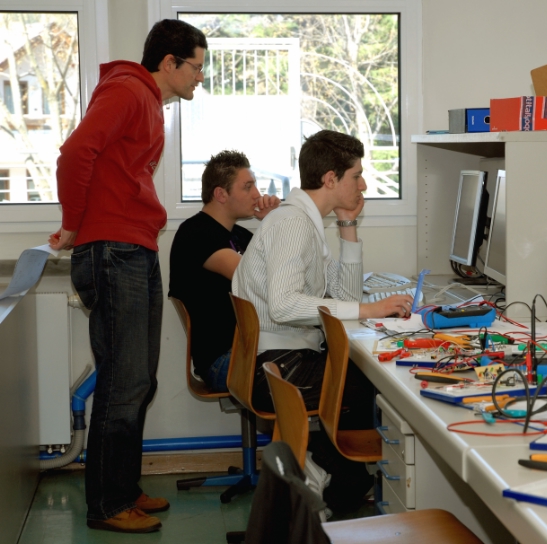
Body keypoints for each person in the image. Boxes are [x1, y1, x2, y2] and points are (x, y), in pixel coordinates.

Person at [48, 19, 207, 534]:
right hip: (113, 250)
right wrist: (73, 224)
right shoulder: (128, 91)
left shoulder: (147, 100)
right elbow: (75, 154)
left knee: (138, 380)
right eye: (196, 66)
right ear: (169, 62)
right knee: (123, 382)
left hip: (132, 247)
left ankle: (124, 487)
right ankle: (107, 504)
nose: (200, 77)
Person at [232, 129, 413, 512]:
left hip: (283, 358)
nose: (363, 185)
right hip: (279, 366)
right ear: (330, 178)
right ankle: (330, 483)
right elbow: (284, 306)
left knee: (368, 377)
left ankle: (334, 479)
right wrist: (370, 310)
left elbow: (345, 296)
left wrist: (348, 224)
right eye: (356, 176)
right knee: (381, 386)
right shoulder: (292, 224)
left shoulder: (305, 222)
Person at [169, 150, 280, 392]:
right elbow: (259, 280)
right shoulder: (196, 233)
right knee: (333, 369)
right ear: (220, 194)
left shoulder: (239, 235)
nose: (257, 194)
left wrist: (272, 221)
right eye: (248, 187)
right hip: (224, 360)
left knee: (331, 359)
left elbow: (285, 271)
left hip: (250, 347)